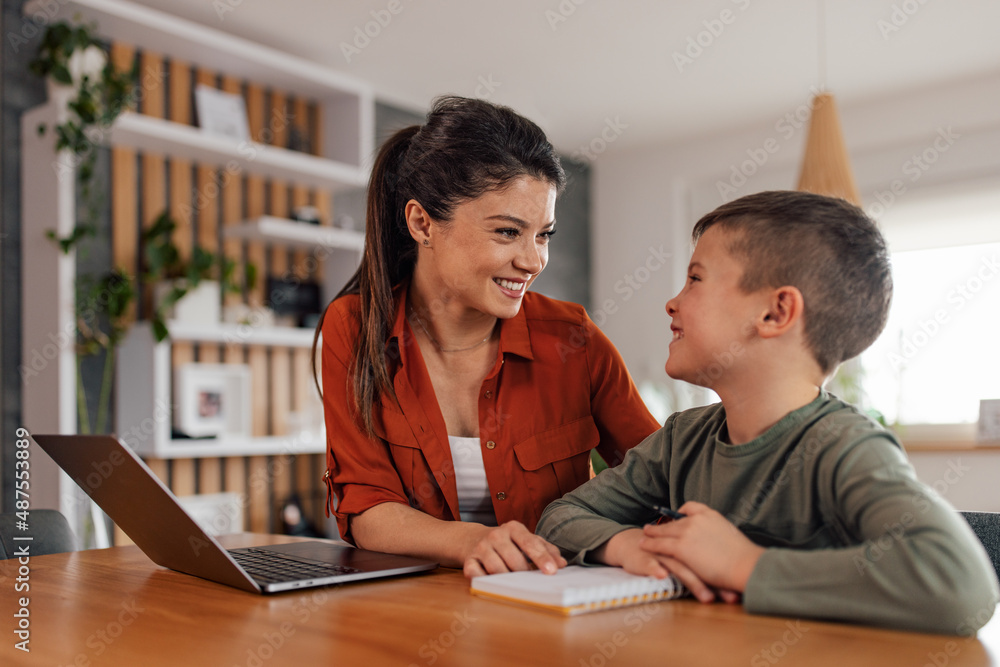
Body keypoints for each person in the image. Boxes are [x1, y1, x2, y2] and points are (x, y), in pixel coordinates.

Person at [536, 190, 1000, 634]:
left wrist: (742, 564)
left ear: (776, 313)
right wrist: (628, 545)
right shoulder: (683, 438)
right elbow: (560, 516)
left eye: (695, 279)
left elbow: (963, 586)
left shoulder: (844, 446)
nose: (672, 301)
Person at [315, 96, 659, 577]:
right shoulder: (354, 327)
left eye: (543, 235)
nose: (534, 261)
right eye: (507, 232)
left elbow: (658, 480)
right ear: (422, 223)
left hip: (550, 609)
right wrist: (472, 541)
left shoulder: (575, 339)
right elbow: (368, 509)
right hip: (411, 615)